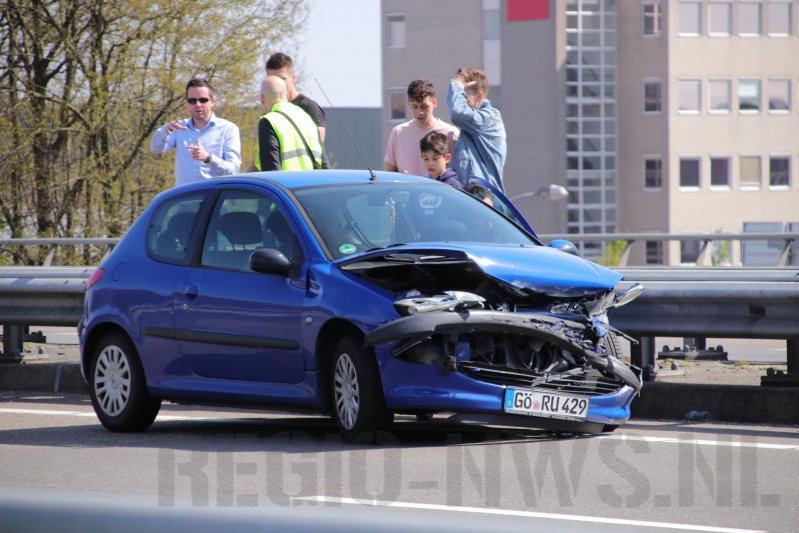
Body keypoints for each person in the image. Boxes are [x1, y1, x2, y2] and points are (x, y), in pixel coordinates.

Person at [150, 78, 241, 186]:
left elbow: (233, 171)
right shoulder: (179, 127)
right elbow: (155, 149)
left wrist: (208, 158)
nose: (198, 105)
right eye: (192, 101)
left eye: (203, 100)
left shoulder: (228, 129)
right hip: (185, 199)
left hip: (216, 199)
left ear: (212, 102)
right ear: (187, 103)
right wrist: (164, 131)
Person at [265, 52, 330, 168]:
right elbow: (266, 151)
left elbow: (317, 147)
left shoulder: (309, 107)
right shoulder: (272, 112)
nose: (279, 83)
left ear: (293, 78)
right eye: (273, 79)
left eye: (282, 79)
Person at [447, 68, 506, 191]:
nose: (461, 101)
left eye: (465, 97)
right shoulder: (471, 125)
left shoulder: (489, 118)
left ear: (479, 96)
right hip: (475, 198)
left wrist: (457, 86)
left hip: (487, 199)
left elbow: (457, 112)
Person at [385, 79, 459, 176]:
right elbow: (390, 171)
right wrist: (401, 178)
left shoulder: (450, 133)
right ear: (408, 104)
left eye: (424, 106)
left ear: (434, 103)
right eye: (414, 106)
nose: (419, 112)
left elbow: (458, 172)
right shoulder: (398, 133)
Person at [249, 76, 324, 171]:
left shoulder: (269, 121)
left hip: (287, 185)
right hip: (313, 184)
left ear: (262, 99)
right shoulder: (306, 118)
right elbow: (324, 164)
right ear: (287, 96)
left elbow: (271, 171)